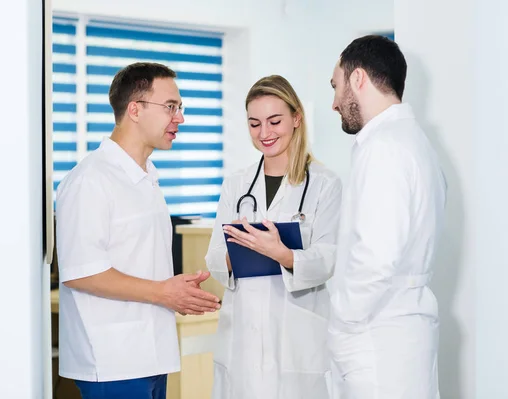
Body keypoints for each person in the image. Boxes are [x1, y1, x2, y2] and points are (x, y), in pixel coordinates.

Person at [55, 62, 221, 399]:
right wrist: (164, 292)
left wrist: (176, 288)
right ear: (135, 109)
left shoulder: (147, 177)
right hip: (112, 360)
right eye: (170, 106)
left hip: (150, 355)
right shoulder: (91, 179)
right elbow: (80, 273)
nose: (180, 118)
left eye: (180, 107)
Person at [205, 75, 342, 399]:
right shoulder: (236, 185)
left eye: (274, 121)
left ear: (296, 118)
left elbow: (329, 257)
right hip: (243, 338)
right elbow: (213, 257)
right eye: (254, 124)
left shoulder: (325, 184)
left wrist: (283, 254)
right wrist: (236, 249)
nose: (264, 133)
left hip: (297, 338)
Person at [327, 35, 447, 399]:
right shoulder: (415, 143)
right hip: (401, 335)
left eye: (336, 87)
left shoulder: (383, 148)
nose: (334, 104)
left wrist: (343, 319)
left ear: (358, 79)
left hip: (377, 339)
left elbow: (376, 257)